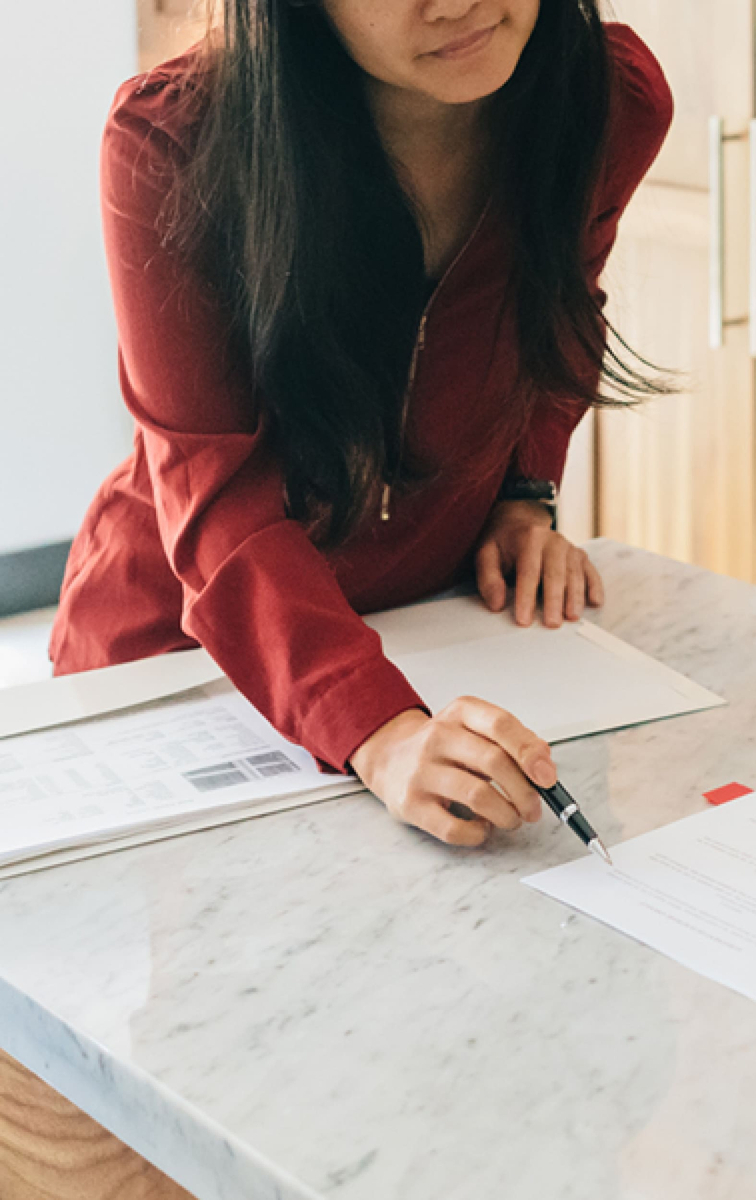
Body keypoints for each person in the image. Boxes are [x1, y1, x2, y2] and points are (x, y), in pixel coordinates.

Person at [49, 0, 672, 847]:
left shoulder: (610, 99)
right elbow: (213, 487)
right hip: (186, 654)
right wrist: (379, 732)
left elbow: (561, 303)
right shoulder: (173, 142)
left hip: (439, 630)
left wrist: (526, 492)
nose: (456, 2)